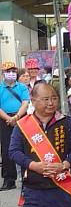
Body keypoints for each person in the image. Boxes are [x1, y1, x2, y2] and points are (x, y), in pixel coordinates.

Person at [9, 83, 71, 207]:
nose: (51, 103)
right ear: (33, 100)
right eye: (45, 99)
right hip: (34, 186)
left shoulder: (66, 122)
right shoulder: (23, 125)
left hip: (63, 183)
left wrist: (65, 164)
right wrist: (32, 165)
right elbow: (14, 151)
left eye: (54, 98)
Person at [0, 61, 30, 190]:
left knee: (24, 148)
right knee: (7, 149)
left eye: (13, 71)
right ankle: (9, 179)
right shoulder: (0, 88)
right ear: (3, 73)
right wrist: (8, 119)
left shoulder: (22, 87)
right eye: (8, 71)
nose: (11, 74)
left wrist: (16, 117)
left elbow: (25, 103)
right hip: (4, 119)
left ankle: (27, 176)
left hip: (21, 118)